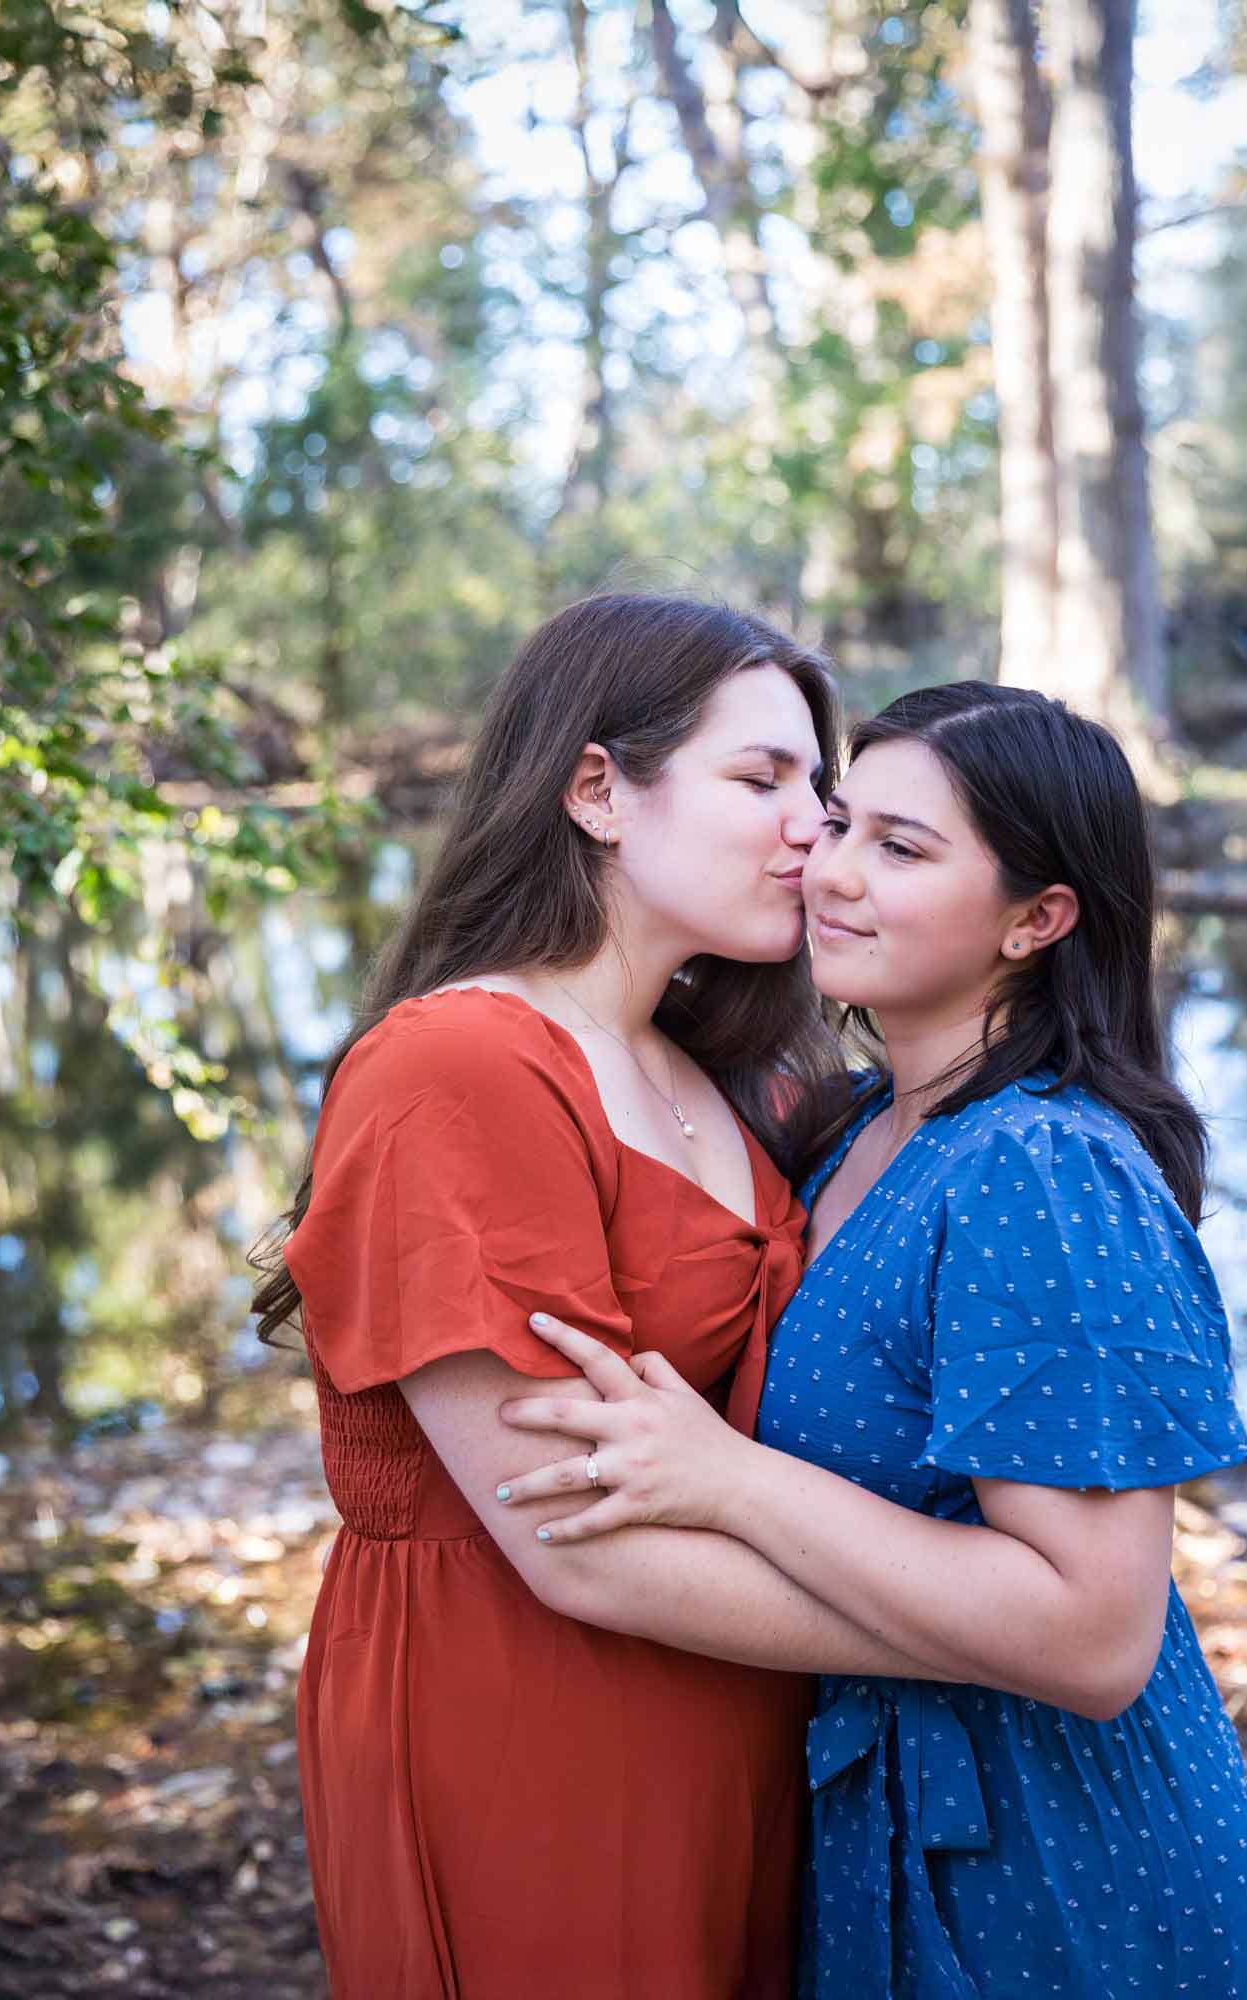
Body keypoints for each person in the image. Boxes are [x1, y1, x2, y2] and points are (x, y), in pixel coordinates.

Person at [497, 682, 1247, 1999]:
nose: (832, 871)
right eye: (842, 823)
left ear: (1038, 920)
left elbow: (1097, 1637)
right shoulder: (860, 1127)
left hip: (1059, 1863)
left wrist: (727, 1478)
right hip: (883, 1814)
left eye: (902, 850)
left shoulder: (1039, 1167)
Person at [252, 594, 958, 2000]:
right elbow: (578, 1550)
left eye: (817, 786)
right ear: (596, 791)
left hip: (740, 1712)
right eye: (760, 779)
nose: (812, 826)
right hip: (530, 1722)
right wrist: (987, 1634)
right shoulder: (457, 1072)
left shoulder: (729, 1072)